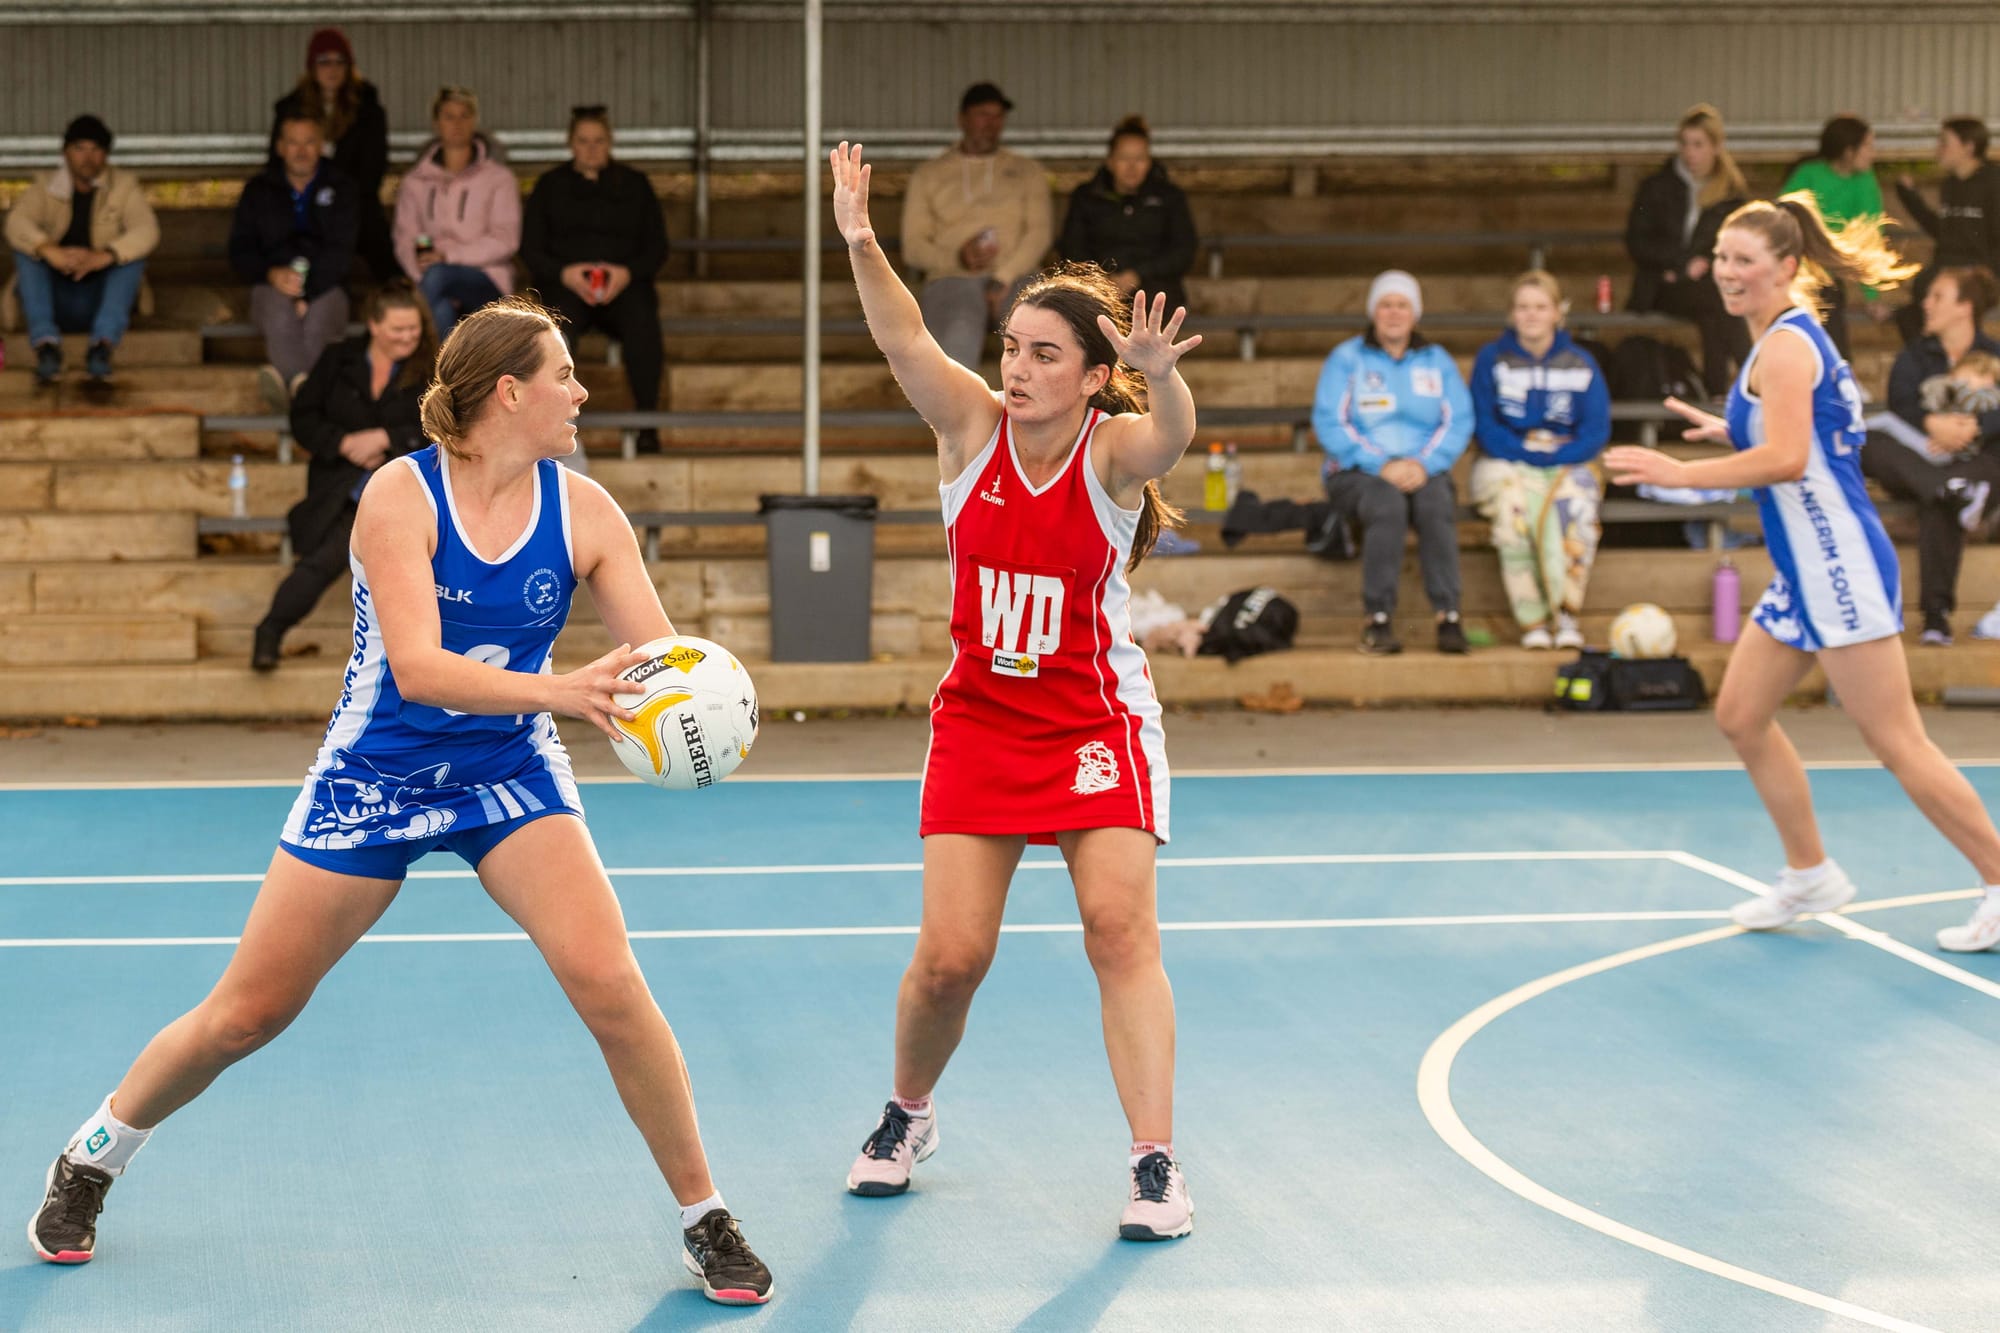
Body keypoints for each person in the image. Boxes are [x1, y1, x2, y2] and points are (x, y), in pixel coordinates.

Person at [27, 297, 775, 1306]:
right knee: (248, 1014)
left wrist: (699, 714)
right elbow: (419, 669)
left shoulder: (586, 511)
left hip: (507, 772)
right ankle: (96, 1152)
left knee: (609, 984)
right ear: (509, 391)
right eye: (563, 374)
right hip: (376, 773)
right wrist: (564, 690)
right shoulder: (399, 497)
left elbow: (657, 664)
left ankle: (703, 1215)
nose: (580, 392)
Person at [831, 141, 1200, 1240]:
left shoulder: (1110, 454)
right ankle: (907, 1113)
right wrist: (859, 241)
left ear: (1092, 374)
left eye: (1045, 354)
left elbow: (1170, 436)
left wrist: (1163, 369)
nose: (1020, 368)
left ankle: (1153, 1165)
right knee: (950, 959)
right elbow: (901, 337)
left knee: (1115, 926)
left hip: (1095, 720)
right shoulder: (969, 430)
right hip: (984, 721)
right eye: (1011, 348)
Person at [1605, 197, 2000, 955]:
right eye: (1721, 256)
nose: (1727, 272)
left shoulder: (1785, 346)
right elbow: (1812, 434)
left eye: (1744, 260)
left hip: (1838, 564)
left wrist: (1680, 471)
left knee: (1897, 742)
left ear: (1787, 267)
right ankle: (1810, 871)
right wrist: (1734, 427)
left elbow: (1789, 458)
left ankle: (1995, 877)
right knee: (1740, 715)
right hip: (1803, 568)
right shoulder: (1776, 343)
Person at [250, 282, 436, 672]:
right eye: (397, 330)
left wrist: (388, 439)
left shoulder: (431, 367)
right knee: (324, 558)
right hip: (340, 485)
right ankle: (270, 632)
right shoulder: (338, 359)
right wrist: (344, 443)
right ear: (373, 325)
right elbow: (304, 417)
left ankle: (424, 662)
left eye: (413, 329)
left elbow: (442, 425)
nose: (407, 337)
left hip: (407, 490)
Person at [1311, 270, 1473, 656]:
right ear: (1373, 311)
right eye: (1386, 305)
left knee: (1435, 503)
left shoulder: (1436, 361)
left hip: (1424, 468)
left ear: (1415, 313)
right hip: (1357, 472)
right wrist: (1380, 464)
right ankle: (1377, 619)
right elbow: (1330, 421)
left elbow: (1459, 420)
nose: (1394, 313)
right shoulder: (1347, 358)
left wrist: (1423, 464)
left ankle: (1448, 616)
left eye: (1402, 305)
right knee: (1387, 503)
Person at [1469, 271, 1611, 649]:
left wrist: (1558, 458)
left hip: (1568, 458)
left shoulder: (1581, 362)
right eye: (1523, 307)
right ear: (1511, 314)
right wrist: (1526, 455)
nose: (1531, 315)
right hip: (1505, 457)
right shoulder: (1492, 359)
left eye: (1540, 307)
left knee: (1574, 508)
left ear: (1557, 313)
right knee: (1515, 509)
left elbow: (1596, 430)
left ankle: (1566, 614)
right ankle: (1533, 621)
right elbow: (1484, 424)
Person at [1859, 266, 2000, 644]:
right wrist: (1931, 423)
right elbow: (1900, 404)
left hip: (1976, 467)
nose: (1926, 304)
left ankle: (1936, 618)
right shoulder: (1914, 356)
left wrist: (1978, 427)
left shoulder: (1995, 355)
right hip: (1920, 462)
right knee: (1869, 440)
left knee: (1955, 490)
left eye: (1938, 296)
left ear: (1964, 307)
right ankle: (1947, 488)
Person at [521, 106, 668, 454]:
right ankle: (554, 423)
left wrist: (626, 273)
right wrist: (564, 274)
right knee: (554, 334)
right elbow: (530, 249)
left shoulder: (635, 185)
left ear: (610, 142)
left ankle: (647, 421)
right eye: (583, 141)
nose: (591, 148)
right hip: (568, 287)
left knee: (643, 322)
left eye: (598, 141)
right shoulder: (550, 186)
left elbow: (657, 247)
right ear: (571, 143)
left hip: (624, 288)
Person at [899, 83, 1052, 370]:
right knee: (959, 329)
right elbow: (914, 247)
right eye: (983, 115)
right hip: (953, 275)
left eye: (997, 117)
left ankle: (1038, 412)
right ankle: (955, 413)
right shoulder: (930, 174)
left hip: (1016, 274)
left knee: (1035, 333)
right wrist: (957, 257)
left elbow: (1039, 233)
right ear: (963, 119)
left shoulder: (1026, 171)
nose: (991, 124)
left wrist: (1002, 278)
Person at [3, 114, 158, 386]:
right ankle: (46, 346)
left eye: (96, 149)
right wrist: (48, 249)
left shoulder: (123, 187)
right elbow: (16, 222)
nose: (88, 157)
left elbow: (147, 230)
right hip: (55, 296)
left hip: (100, 298)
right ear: (65, 153)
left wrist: (106, 255)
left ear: (106, 155)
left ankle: (102, 346)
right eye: (79, 148)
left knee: (131, 258)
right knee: (27, 251)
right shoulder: (45, 187)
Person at [1625, 104, 1753, 395]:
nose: (1690, 152)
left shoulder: (1731, 194)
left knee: (1716, 308)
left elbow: (1738, 243)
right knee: (1722, 302)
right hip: (1662, 286)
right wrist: (1680, 265)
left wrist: (1706, 263)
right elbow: (1637, 242)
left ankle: (1718, 392)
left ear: (1716, 147)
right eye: (1684, 143)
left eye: (1698, 144)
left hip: (1710, 287)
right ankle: (1752, 379)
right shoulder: (1656, 187)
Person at [230, 114, 359, 404]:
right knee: (277, 310)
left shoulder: (343, 187)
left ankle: (289, 382)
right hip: (270, 286)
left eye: (309, 142)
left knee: (320, 315)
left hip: (328, 285)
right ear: (279, 147)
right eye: (293, 143)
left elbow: (343, 251)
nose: (301, 151)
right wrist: (271, 274)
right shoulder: (258, 190)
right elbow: (240, 250)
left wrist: (308, 292)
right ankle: (309, 392)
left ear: (322, 146)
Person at [268, 27, 394, 282]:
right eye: (324, 61)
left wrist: (338, 197)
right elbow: (276, 163)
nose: (332, 68)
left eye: (340, 61)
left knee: (370, 229)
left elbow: (372, 171)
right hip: (303, 197)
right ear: (312, 67)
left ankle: (393, 300)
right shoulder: (291, 108)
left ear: (350, 67)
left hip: (353, 200)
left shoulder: (367, 109)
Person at [393, 86, 519, 339]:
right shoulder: (415, 181)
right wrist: (423, 275)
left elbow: (506, 239)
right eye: (449, 116)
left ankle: (396, 368)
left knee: (438, 276)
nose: (457, 123)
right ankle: (441, 378)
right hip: (431, 280)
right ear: (436, 123)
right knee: (439, 309)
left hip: (486, 278)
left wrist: (448, 256)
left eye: (464, 115)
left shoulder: (498, 178)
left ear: (475, 120)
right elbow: (405, 238)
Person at [1057, 115, 1198, 315]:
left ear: (1149, 162)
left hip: (1156, 286)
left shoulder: (1169, 197)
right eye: (1124, 158)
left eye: (1139, 159)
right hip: (1097, 286)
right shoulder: (1086, 196)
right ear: (1110, 162)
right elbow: (1073, 247)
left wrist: (1139, 274)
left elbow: (1183, 250)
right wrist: (1103, 279)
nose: (1132, 167)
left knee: (1154, 304)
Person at [1780, 115, 1887, 359]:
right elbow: (1781, 218)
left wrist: (1872, 295)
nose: (1873, 153)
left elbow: (1870, 237)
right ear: (1849, 152)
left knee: (1828, 298)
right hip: (1796, 262)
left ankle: (1837, 372)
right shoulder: (1808, 174)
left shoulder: (1864, 181)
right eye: (1868, 146)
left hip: (1828, 271)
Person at [1894, 118, 2000, 344]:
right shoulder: (1950, 184)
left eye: (1944, 143)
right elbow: (1942, 232)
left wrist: (1987, 275)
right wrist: (1910, 197)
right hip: (1945, 268)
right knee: (1909, 313)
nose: (1938, 149)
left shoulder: (1993, 182)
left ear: (1968, 147)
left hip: (1977, 271)